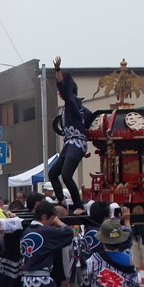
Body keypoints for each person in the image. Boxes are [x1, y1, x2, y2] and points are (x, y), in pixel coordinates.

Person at [48, 56, 90, 211]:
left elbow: (64, 88)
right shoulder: (70, 106)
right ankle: (61, 200)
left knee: (66, 175)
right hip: (69, 144)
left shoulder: (73, 102)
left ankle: (78, 205)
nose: (59, 93)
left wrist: (58, 70)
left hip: (77, 143)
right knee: (53, 173)